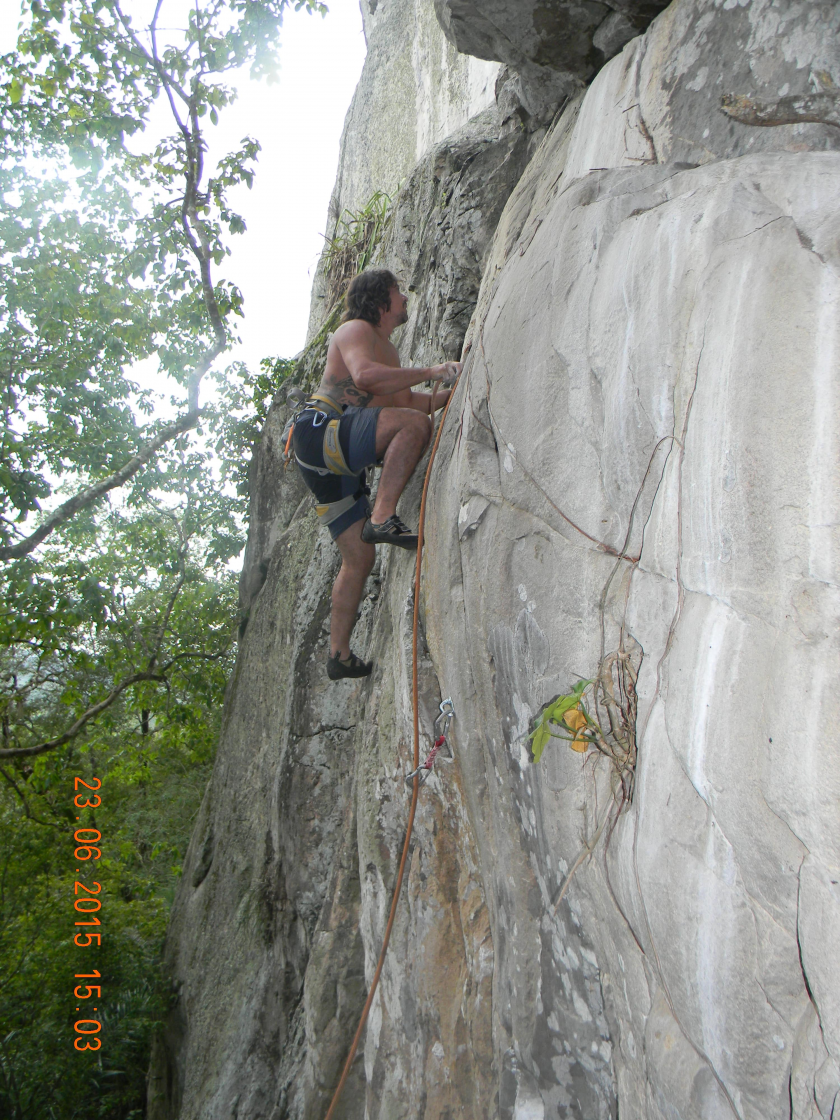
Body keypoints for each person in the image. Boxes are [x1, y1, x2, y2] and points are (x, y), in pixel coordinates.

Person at [292, 268, 460, 680]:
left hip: (334, 460)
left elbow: (409, 404)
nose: (404, 298)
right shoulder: (354, 330)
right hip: (319, 431)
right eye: (398, 291)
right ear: (382, 298)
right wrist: (433, 369)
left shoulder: (390, 351)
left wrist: (451, 393)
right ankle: (382, 517)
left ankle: (339, 654)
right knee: (412, 428)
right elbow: (366, 378)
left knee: (359, 556)